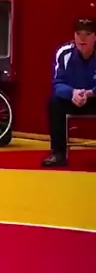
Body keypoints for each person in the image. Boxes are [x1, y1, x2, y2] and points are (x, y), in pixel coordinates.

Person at [42, 18, 96, 168]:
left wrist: (90, 93)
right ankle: (58, 154)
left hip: (93, 98)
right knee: (54, 102)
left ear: (95, 37)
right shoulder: (64, 53)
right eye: (78, 34)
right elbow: (57, 83)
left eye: (87, 34)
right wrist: (72, 92)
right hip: (72, 98)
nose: (82, 39)